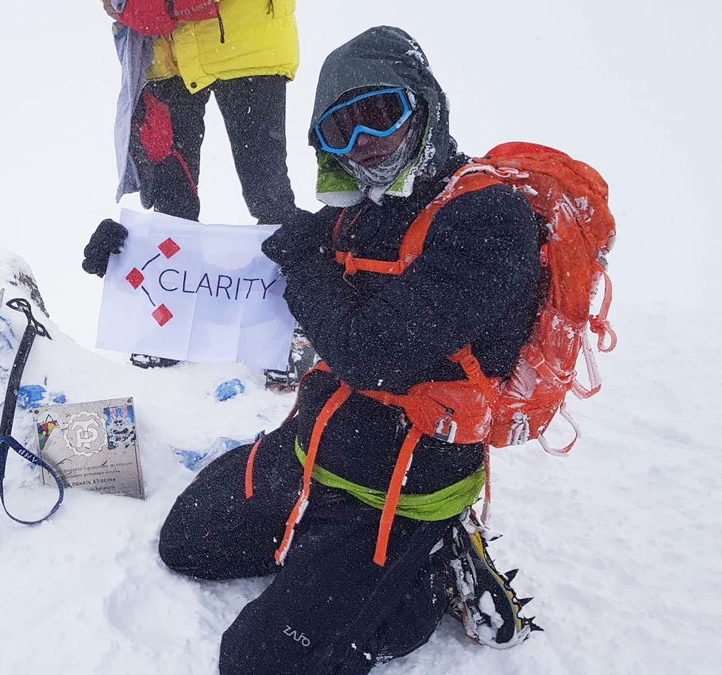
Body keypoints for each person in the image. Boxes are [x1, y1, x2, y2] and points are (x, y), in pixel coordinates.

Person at [153, 26, 541, 674]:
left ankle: (430, 564)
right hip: (317, 451)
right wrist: (135, 253)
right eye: (341, 131)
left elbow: (368, 353)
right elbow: (274, 252)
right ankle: (331, 552)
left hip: (403, 490)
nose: (365, 145)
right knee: (186, 541)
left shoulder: (489, 221)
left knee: (256, 661)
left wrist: (308, 264)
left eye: (380, 114)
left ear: (424, 103)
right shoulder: (367, 210)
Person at [100, 0, 303, 225]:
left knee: (269, 196)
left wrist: (168, 5)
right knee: (171, 206)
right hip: (162, 52)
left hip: (245, 40)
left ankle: (291, 251)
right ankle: (171, 256)